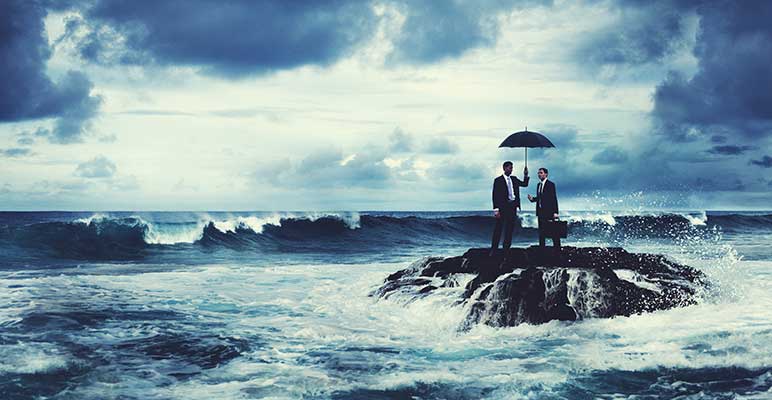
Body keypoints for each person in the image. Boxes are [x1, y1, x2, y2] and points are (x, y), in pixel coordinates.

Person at [490, 161, 529, 255]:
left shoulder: (514, 179)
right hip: (503, 207)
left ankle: (506, 248)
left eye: (512, 168)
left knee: (510, 229)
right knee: (498, 228)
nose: (511, 170)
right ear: (504, 168)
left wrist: (526, 175)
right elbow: (495, 195)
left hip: (512, 206)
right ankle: (494, 248)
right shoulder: (498, 180)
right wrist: (496, 209)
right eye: (509, 168)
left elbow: (524, 184)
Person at [527, 167, 560, 250]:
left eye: (541, 173)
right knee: (541, 233)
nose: (539, 174)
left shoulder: (550, 184)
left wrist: (555, 212)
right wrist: (532, 199)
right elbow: (540, 197)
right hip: (540, 212)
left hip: (549, 212)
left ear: (546, 174)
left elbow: (554, 198)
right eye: (538, 173)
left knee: (553, 233)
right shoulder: (539, 185)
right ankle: (542, 251)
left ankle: (557, 250)